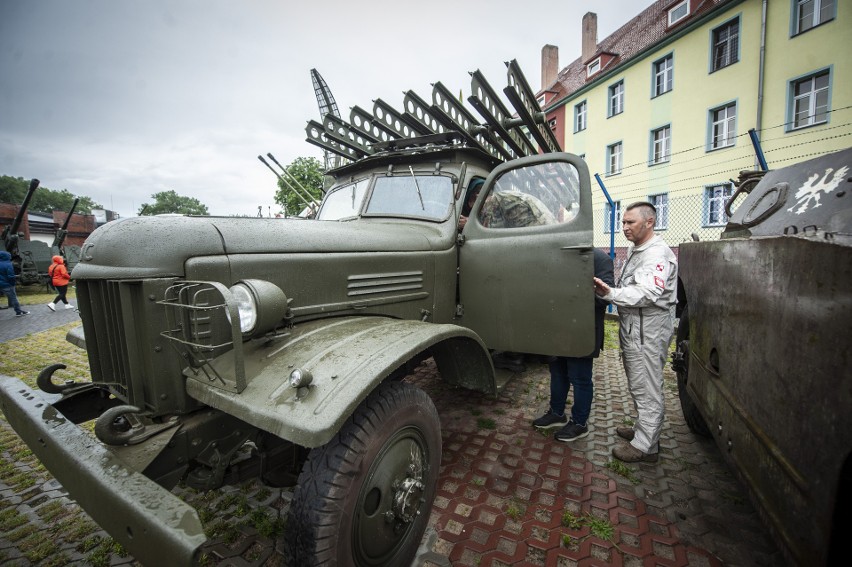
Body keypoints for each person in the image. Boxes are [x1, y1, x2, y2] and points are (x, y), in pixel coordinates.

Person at [593, 202, 677, 463]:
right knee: (638, 383)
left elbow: (649, 292)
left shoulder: (657, 254)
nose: (624, 227)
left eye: (630, 222)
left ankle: (646, 446)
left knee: (647, 386)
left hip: (647, 330)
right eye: (623, 222)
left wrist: (611, 294)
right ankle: (644, 430)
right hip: (636, 327)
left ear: (649, 222)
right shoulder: (639, 249)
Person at [533, 248, 614, 441]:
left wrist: (568, 296)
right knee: (558, 372)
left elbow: (605, 297)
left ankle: (580, 423)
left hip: (583, 330)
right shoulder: (558, 256)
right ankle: (557, 413)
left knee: (580, 378)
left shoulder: (600, 259)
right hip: (559, 328)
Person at [0, 251, 28, 317]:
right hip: (7, 285)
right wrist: (13, 283)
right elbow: (10, 276)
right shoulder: (8, 264)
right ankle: (18, 312)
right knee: (13, 298)